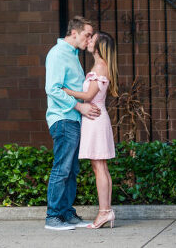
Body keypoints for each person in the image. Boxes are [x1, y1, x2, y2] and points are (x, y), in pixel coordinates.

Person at [44, 16, 101, 231]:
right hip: (64, 118)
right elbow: (53, 89)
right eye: (87, 35)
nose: (89, 39)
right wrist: (79, 107)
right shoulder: (58, 54)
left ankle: (66, 213)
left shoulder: (72, 55)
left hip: (73, 120)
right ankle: (53, 217)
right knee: (62, 168)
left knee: (71, 169)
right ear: (74, 33)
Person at [62, 31, 118, 229]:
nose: (89, 41)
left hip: (95, 120)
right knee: (100, 166)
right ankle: (106, 211)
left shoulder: (101, 67)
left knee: (99, 167)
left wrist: (65, 91)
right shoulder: (100, 66)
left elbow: (88, 96)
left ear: (99, 46)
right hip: (95, 119)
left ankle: (104, 212)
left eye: (92, 39)